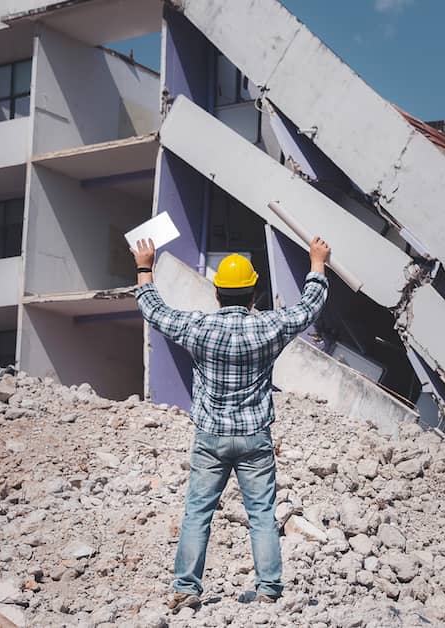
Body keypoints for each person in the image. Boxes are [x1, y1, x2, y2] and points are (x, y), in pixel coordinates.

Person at [129, 235, 330, 611]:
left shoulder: (199, 328)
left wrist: (144, 265)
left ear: (217, 294)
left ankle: (187, 588)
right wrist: (316, 263)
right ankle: (269, 587)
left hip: (211, 437)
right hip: (255, 438)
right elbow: (308, 308)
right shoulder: (269, 328)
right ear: (254, 293)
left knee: (197, 513)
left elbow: (154, 310)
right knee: (261, 515)